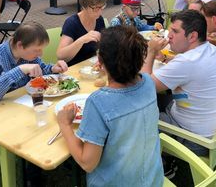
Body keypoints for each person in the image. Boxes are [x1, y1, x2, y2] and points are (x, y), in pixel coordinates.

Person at [57, 26, 164, 186]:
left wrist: (64, 124)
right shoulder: (148, 83)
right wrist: (151, 52)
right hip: (153, 179)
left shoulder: (99, 102)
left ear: (100, 62)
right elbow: (144, 72)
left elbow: (87, 163)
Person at [141, 9, 216, 155]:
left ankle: (164, 164)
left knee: (138, 116)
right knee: (162, 98)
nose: (169, 36)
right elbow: (192, 69)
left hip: (196, 140)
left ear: (192, 36)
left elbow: (143, 87)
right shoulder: (210, 49)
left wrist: (151, 51)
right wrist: (166, 59)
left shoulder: (187, 61)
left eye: (174, 31)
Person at [0, 22, 68, 109]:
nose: (40, 54)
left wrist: (53, 68)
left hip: (13, 104)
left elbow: (40, 70)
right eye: (37, 50)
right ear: (20, 45)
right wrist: (20, 69)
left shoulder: (27, 55)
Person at [57, 0, 106, 66]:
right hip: (73, 70)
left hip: (90, 68)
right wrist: (82, 40)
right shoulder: (72, 23)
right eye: (96, 8)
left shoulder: (99, 19)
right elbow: (61, 56)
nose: (100, 12)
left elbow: (102, 48)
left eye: (102, 7)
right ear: (84, 6)